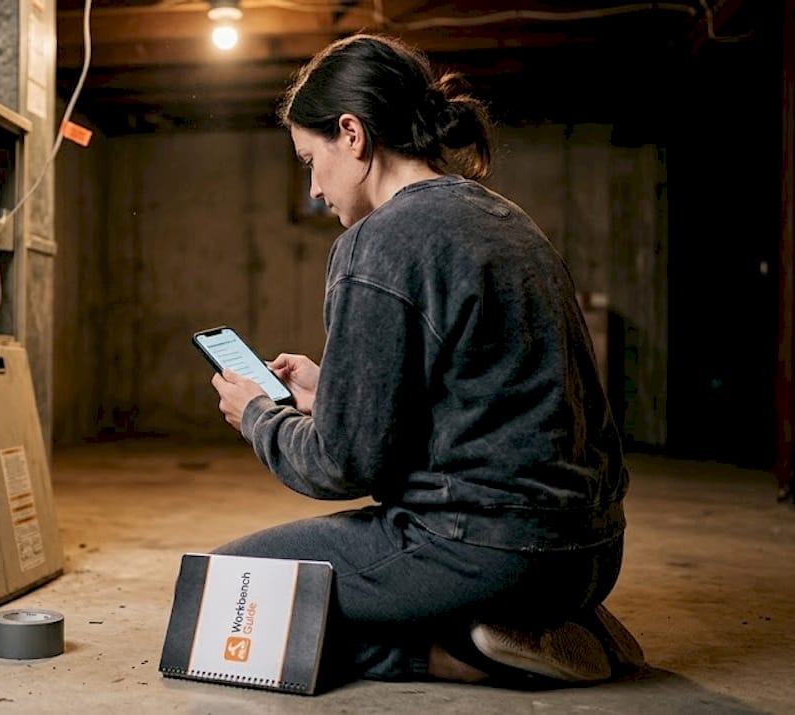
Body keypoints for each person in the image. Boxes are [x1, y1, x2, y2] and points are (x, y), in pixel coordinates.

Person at [207, 33, 643, 687]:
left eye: (310, 159)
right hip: (592, 549)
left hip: (488, 551)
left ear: (352, 134)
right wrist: (333, 394)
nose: (317, 190)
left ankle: (461, 651)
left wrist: (260, 418)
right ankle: (553, 622)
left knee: (227, 593)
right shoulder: (508, 220)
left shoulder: (378, 243)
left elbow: (342, 465)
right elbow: (479, 404)